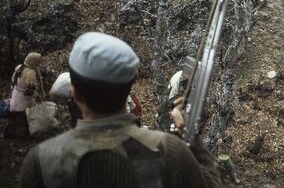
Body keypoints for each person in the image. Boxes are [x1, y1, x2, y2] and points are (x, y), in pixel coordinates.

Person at [18, 32, 216, 188]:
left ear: (75, 93)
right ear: (129, 89)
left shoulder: (40, 162)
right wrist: (193, 140)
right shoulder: (171, 152)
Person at [5, 53, 41, 138]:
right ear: (33, 61)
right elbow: (31, 89)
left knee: (13, 117)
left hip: (15, 95)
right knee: (24, 119)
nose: (39, 63)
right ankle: (23, 136)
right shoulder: (31, 73)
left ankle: (8, 134)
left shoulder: (19, 68)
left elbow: (13, 82)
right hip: (24, 100)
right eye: (38, 62)